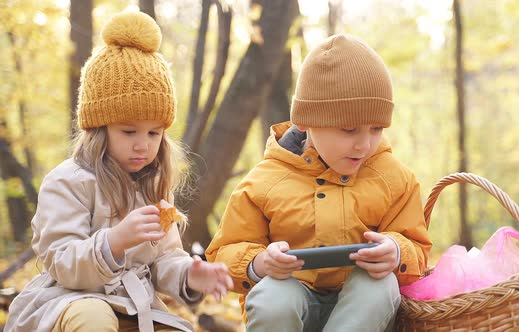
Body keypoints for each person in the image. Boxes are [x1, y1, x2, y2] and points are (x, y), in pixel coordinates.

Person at [6, 11, 232, 332]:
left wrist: (190, 275)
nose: (143, 145)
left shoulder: (155, 187)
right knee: (94, 316)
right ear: (99, 128)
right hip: (68, 303)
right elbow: (61, 261)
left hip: (135, 306)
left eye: (154, 133)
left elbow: (165, 258)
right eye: (129, 132)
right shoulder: (66, 182)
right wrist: (114, 241)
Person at [205, 34, 432, 332]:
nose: (364, 144)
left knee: (379, 285)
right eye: (349, 130)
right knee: (273, 295)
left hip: (361, 315)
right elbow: (224, 252)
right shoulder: (263, 182)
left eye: (376, 129)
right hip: (290, 304)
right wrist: (259, 263)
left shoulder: (394, 179)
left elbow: (417, 245)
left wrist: (397, 252)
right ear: (305, 121)